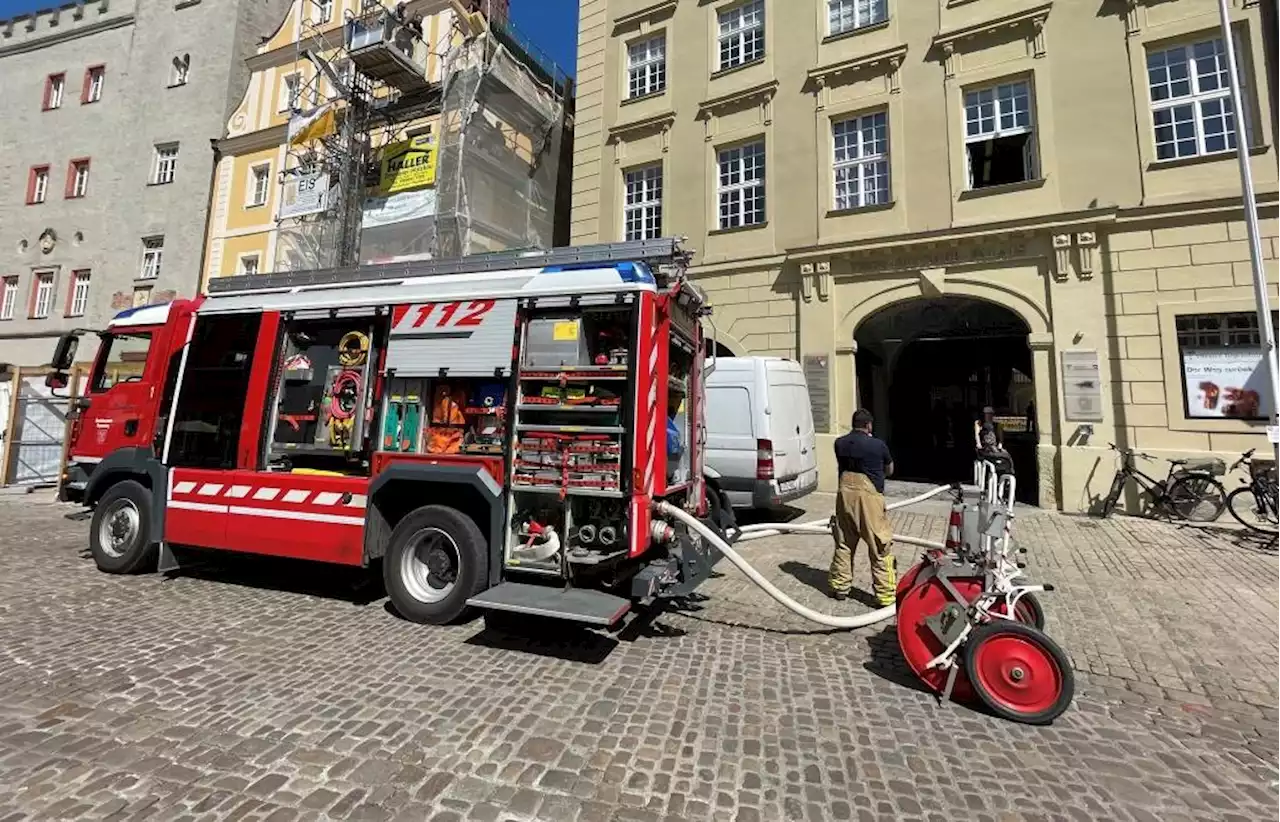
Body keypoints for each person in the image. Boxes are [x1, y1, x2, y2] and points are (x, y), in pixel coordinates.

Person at [828, 409, 896, 605]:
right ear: (869, 425)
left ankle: (840, 587)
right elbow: (889, 469)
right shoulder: (878, 445)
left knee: (844, 542)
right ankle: (885, 595)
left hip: (844, 496)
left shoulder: (839, 443)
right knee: (879, 545)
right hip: (870, 498)